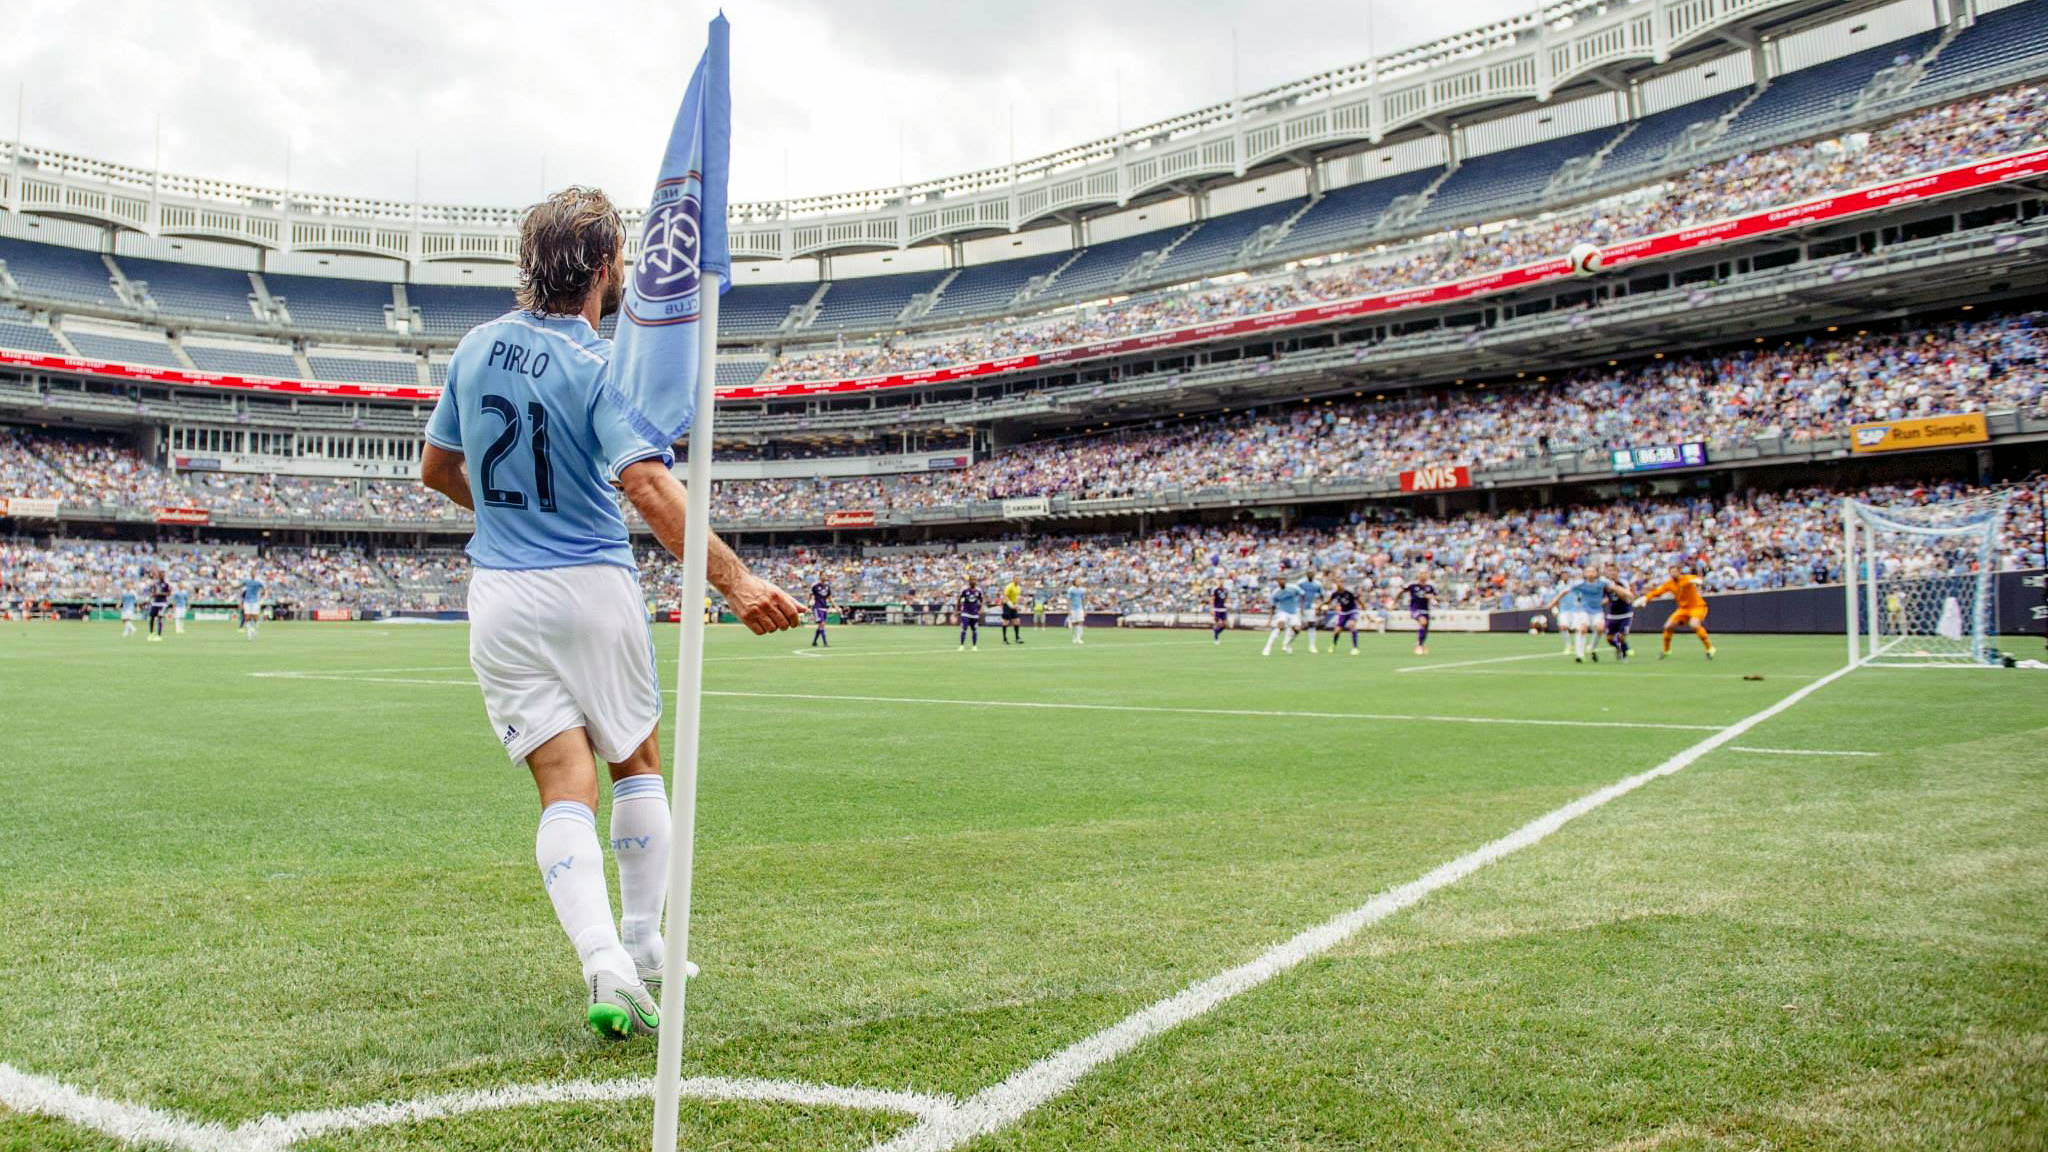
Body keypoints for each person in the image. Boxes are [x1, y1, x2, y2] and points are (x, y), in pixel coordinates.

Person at [417, 186, 803, 1041]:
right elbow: (649, 485)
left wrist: (505, 519)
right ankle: (641, 939)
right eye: (620, 257)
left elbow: (436, 470)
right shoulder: (603, 365)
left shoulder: (476, 348)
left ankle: (607, 960)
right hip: (589, 583)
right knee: (636, 763)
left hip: (500, 595)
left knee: (562, 786)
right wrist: (735, 583)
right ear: (603, 267)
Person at [1546, 566, 1629, 663]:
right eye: (1588, 571)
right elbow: (1564, 592)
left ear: (1596, 573)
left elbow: (1615, 587)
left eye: (1593, 571)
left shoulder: (1602, 582)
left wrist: (1627, 593)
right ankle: (1579, 655)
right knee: (1583, 629)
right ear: (1584, 573)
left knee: (1600, 628)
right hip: (1583, 610)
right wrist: (1553, 602)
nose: (1590, 573)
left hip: (1597, 610)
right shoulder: (1580, 583)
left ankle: (1592, 648)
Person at [1639, 566, 1716, 659]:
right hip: (1683, 609)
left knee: (1694, 624)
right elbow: (1658, 592)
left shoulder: (1687, 578)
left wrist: (1698, 581)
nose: (1673, 573)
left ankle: (1710, 648)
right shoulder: (1669, 584)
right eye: (1671, 572)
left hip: (1697, 606)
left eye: (1675, 571)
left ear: (1679, 572)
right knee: (1668, 626)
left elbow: (1698, 579)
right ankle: (1666, 651)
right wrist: (1646, 598)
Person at [1395, 572, 1436, 657]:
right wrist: (1395, 602)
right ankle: (1420, 646)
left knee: (1425, 628)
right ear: (1418, 575)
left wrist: (1431, 597)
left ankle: (1420, 644)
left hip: (1425, 610)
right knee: (1423, 622)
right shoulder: (1413, 585)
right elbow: (1401, 591)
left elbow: (1436, 597)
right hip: (1415, 609)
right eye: (1422, 573)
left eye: (1425, 574)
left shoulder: (1430, 587)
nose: (1424, 575)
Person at [1263, 577, 1303, 656]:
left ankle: (1287, 644)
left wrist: (1301, 607)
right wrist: (1269, 620)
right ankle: (1267, 647)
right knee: (1280, 626)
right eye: (1280, 580)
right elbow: (1273, 607)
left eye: (1283, 580)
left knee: (1297, 630)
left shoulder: (1293, 588)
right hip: (1282, 611)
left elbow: (1302, 594)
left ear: (1286, 581)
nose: (1282, 581)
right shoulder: (1276, 593)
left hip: (1294, 612)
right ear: (1278, 582)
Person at [1602, 578, 1638, 662]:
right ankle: (1618, 648)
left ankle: (1624, 654)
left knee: (1621, 637)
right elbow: (1607, 599)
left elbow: (1627, 597)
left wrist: (1617, 589)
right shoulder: (1606, 589)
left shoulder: (1621, 585)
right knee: (1609, 639)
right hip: (1613, 616)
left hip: (1625, 614)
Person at [1327, 580, 1363, 655]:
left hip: (1352, 610)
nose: (1339, 585)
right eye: (1338, 584)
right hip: (1343, 612)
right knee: (1337, 631)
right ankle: (1333, 644)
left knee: (1352, 625)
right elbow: (1329, 601)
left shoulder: (1349, 592)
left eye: (1340, 583)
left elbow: (1358, 599)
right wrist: (1321, 605)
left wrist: (1363, 606)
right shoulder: (1335, 594)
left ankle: (1355, 648)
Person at [1295, 571, 1325, 654]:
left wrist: (1319, 606)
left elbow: (1322, 596)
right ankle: (1287, 644)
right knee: (1295, 627)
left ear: (1314, 574)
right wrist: (1300, 607)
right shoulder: (1300, 583)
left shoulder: (1318, 584)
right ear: (1306, 574)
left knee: (1312, 625)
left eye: (1312, 573)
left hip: (1311, 607)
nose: (1310, 574)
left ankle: (1312, 646)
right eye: (1309, 573)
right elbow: (1297, 595)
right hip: (1299, 607)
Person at [957, 577, 984, 651]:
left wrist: (981, 609)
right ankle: (961, 645)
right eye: (972, 580)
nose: (973, 581)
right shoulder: (965, 590)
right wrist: (958, 609)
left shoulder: (978, 591)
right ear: (969, 581)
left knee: (974, 629)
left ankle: (974, 646)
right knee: (964, 628)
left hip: (974, 613)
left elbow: (981, 600)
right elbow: (959, 599)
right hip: (966, 612)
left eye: (975, 580)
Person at [809, 575, 833, 648]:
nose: (825, 576)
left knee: (821, 626)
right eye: (824, 575)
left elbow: (830, 598)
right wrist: (809, 603)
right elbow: (810, 594)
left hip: (824, 607)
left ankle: (814, 642)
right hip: (817, 607)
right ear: (820, 576)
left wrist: (836, 606)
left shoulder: (827, 587)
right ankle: (825, 643)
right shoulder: (815, 586)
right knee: (822, 624)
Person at [146, 572, 170, 642]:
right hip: (155, 602)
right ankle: (151, 633)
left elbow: (168, 593)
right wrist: (153, 594)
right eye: (160, 575)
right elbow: (152, 592)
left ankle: (159, 635)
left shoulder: (166, 584)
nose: (162, 576)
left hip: (162, 603)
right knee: (152, 617)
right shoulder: (155, 584)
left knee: (160, 618)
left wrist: (160, 593)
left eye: (163, 575)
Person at [999, 576, 1024, 645]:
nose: (1018, 580)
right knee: (1006, 622)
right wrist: (1011, 605)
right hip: (1007, 605)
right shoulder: (1009, 586)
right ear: (1013, 579)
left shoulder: (1018, 588)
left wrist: (1016, 605)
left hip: (1013, 605)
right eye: (1016, 579)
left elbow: (1016, 597)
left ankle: (1017, 638)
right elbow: (1005, 596)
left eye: (1019, 579)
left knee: (1017, 621)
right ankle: (1004, 639)